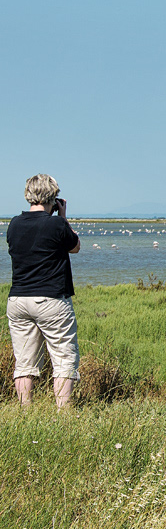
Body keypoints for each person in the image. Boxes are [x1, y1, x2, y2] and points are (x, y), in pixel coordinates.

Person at [5, 174, 82, 408]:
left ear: (28, 194)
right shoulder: (57, 224)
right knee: (64, 359)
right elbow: (75, 247)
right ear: (53, 196)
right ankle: (64, 415)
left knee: (24, 363)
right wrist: (63, 217)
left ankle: (25, 412)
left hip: (18, 300)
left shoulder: (14, 224)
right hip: (51, 299)